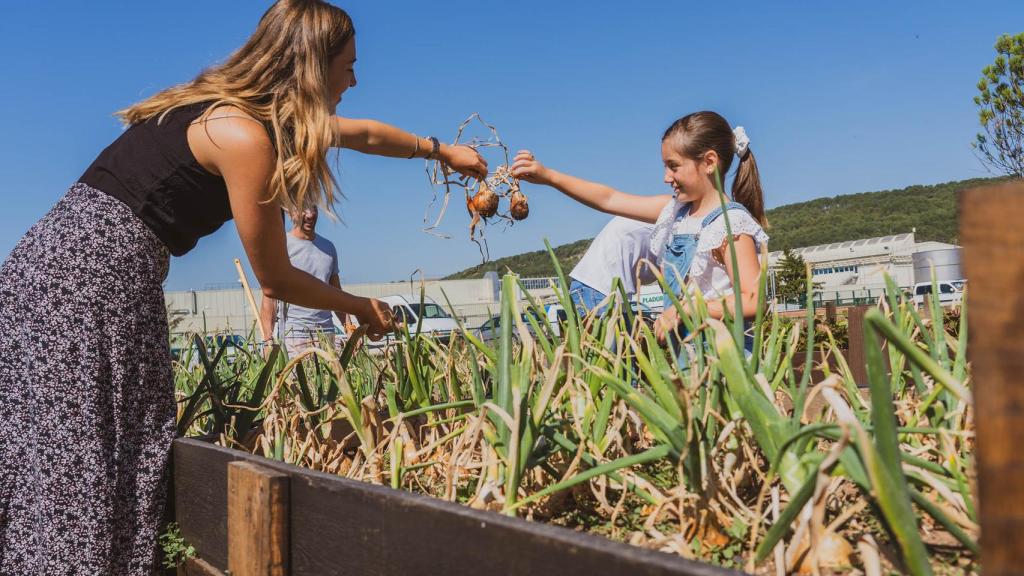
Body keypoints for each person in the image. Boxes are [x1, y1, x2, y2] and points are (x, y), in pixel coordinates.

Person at [0, 1, 487, 573]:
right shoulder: (243, 135)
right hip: (87, 279)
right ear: (311, 66)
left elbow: (364, 135)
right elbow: (275, 277)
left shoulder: (233, 112)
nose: (355, 79)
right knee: (85, 449)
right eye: (348, 66)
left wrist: (440, 150)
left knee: (66, 440)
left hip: (57, 267)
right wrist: (356, 305)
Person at [511, 111, 768, 347]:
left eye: (673, 166)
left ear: (709, 161)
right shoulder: (676, 213)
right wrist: (549, 177)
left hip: (725, 359)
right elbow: (609, 199)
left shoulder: (730, 224)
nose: (666, 177)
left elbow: (753, 300)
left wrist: (686, 309)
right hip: (688, 357)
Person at [259, 205, 347, 355]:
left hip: (326, 332)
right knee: (296, 379)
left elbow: (336, 291)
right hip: (294, 335)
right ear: (289, 212)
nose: (310, 214)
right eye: (303, 208)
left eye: (313, 208)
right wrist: (267, 340)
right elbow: (270, 297)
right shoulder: (281, 246)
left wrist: (349, 326)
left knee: (327, 379)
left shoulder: (328, 248)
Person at [567, 216, 654, 316]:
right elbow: (668, 281)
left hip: (599, 288)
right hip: (600, 289)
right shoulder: (669, 222)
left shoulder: (656, 214)